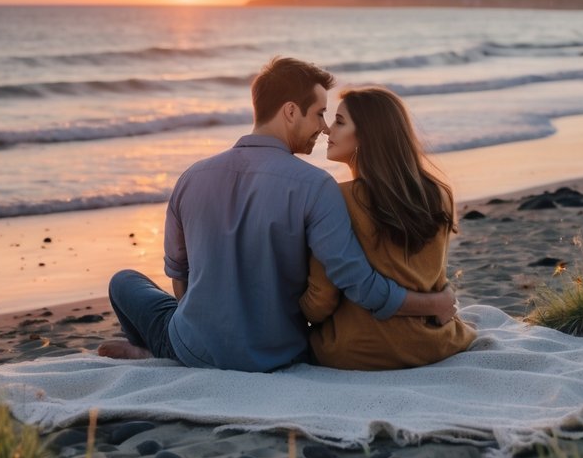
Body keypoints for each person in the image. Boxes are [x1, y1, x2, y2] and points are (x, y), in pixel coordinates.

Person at [99, 57, 457, 372]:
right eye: (318, 114)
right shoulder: (317, 187)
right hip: (279, 352)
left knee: (124, 282)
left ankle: (156, 352)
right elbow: (358, 284)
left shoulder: (192, 177)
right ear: (290, 111)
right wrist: (434, 303)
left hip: (197, 348)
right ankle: (155, 350)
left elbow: (180, 278)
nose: (323, 127)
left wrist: (211, 329)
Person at [300, 87, 476, 369]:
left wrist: (295, 313)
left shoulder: (338, 199)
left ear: (367, 136)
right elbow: (433, 277)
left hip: (359, 351)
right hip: (434, 343)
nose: (327, 130)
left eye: (340, 122)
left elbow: (322, 300)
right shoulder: (439, 192)